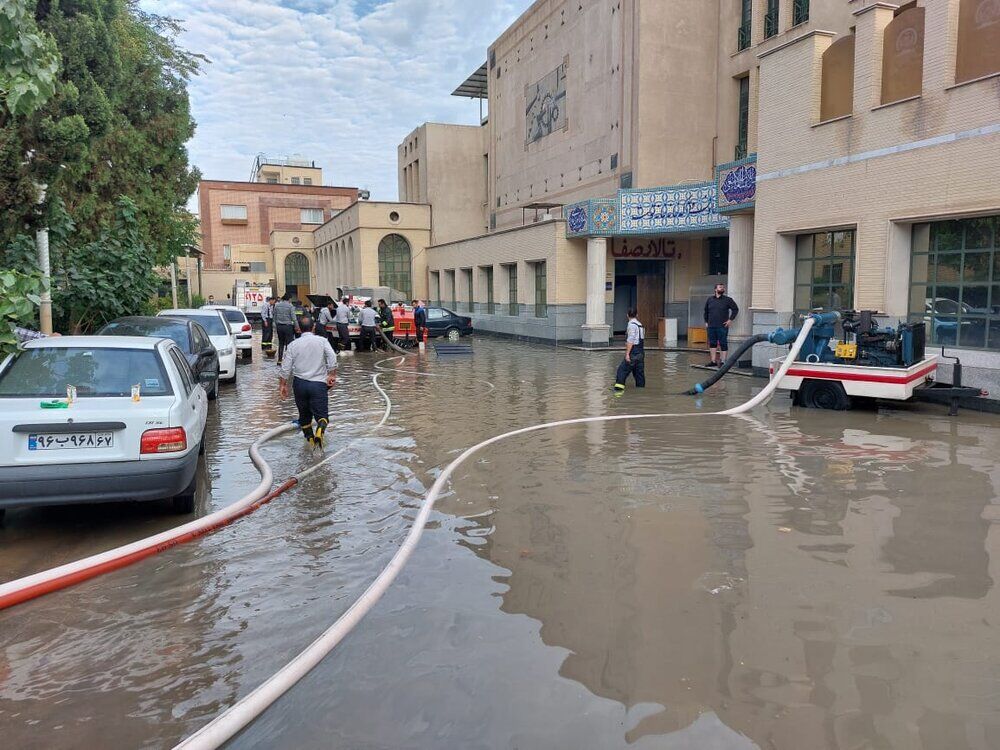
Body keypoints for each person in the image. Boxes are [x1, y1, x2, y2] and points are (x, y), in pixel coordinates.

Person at [278, 316, 337, 449]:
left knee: (304, 418)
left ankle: (311, 444)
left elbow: (285, 367)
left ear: (298, 329)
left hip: (300, 385)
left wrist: (282, 385)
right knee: (322, 416)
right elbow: (332, 357)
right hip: (318, 384)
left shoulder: (293, 344)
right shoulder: (322, 341)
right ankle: (320, 431)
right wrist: (332, 374)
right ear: (314, 327)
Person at [704, 283, 739, 367]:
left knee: (723, 343)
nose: (722, 289)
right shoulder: (710, 300)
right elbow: (706, 311)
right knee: (712, 343)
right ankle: (713, 361)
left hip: (722, 326)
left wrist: (730, 320)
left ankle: (723, 362)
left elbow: (735, 309)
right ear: (715, 289)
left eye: (723, 288)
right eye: (720, 287)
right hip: (711, 325)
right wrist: (706, 321)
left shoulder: (728, 300)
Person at [614, 308, 646, 392]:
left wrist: (627, 354)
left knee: (621, 372)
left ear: (627, 315)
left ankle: (618, 393)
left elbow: (630, 340)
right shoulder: (640, 325)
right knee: (639, 375)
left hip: (633, 353)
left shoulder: (631, 325)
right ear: (637, 315)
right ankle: (641, 393)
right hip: (641, 354)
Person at [273, 293, 300, 365]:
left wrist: (276, 326)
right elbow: (294, 318)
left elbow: (274, 317)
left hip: (279, 327)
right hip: (288, 327)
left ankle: (279, 360)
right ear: (289, 299)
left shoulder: (277, 305)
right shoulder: (290, 306)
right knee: (289, 344)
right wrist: (297, 327)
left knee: (281, 343)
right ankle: (287, 360)